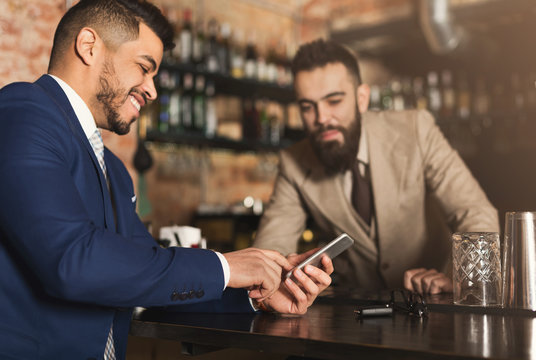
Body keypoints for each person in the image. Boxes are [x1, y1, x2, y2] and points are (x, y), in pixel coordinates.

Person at [0, 1, 332, 359]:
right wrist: (225, 266)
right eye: (144, 68)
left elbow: (148, 275)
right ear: (88, 46)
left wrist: (257, 297)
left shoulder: (112, 168)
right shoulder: (23, 112)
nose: (152, 89)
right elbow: (73, 260)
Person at [253, 39, 499, 294]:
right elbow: (269, 253)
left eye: (334, 101)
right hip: (358, 310)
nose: (322, 118)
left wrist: (460, 278)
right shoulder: (293, 162)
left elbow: (474, 213)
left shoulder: (416, 128)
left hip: (433, 301)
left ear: (361, 98)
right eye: (307, 107)